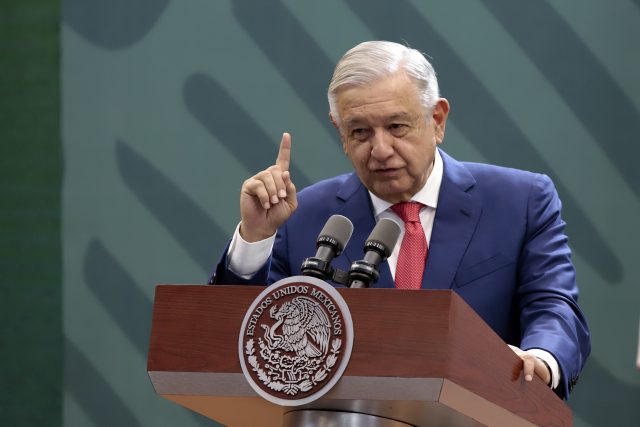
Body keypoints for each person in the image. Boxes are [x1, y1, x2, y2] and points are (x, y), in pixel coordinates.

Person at [209, 41, 590, 399]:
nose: (380, 149)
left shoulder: (520, 200)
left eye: (396, 127)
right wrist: (256, 237)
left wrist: (540, 357)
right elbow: (243, 342)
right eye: (360, 131)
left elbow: (553, 305)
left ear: (437, 120)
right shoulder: (303, 215)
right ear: (340, 132)